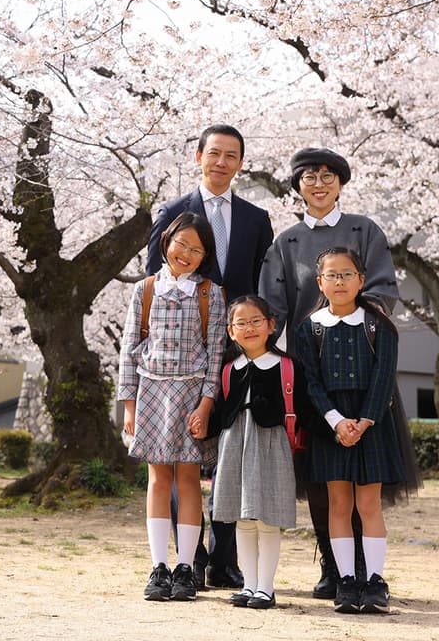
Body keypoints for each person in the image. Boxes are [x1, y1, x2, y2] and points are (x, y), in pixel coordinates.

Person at [258, 146, 409, 600]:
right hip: (311, 374)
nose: (319, 184)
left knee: (365, 478)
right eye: (309, 177)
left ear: (341, 182)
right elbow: (273, 305)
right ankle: (333, 565)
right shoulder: (285, 242)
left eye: (328, 176)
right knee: (324, 477)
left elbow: (383, 290)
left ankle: (367, 570)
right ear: (297, 185)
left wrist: (352, 320)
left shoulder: (365, 230)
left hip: (364, 371)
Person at [146, 124, 273, 589]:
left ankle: (225, 557)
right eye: (213, 153)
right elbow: (153, 281)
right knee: (180, 454)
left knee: (230, 452)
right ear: (198, 156)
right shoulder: (173, 211)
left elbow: (260, 288)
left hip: (237, 349)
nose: (221, 162)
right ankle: (188, 558)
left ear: (240, 163)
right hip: (180, 356)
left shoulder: (257, 219)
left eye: (231, 155)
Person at [119, 212, 228, 602]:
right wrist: (128, 405)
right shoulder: (145, 289)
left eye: (196, 249)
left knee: (189, 480)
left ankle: (185, 566)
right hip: (150, 392)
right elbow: (129, 350)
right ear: (166, 241)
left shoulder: (211, 294)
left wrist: (206, 405)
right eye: (181, 243)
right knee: (157, 480)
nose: (186, 253)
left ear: (205, 257)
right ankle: (158, 567)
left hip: (191, 396)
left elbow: (216, 356)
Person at [292, 247, 405, 614]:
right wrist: (336, 421)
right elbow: (310, 382)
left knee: (368, 504)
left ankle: (374, 581)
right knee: (338, 504)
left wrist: (365, 420)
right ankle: (346, 580)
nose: (339, 281)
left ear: (361, 279)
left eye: (347, 274)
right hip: (331, 428)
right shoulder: (308, 328)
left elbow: (384, 378)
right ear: (319, 282)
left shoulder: (380, 326)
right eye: (331, 275)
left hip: (372, 425)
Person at [207, 296, 296, 610]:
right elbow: (221, 411)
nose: (249, 328)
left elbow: (302, 408)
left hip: (270, 446)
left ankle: (267, 588)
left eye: (256, 321)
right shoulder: (230, 369)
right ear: (231, 331)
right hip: (235, 445)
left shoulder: (286, 366)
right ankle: (249, 585)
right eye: (240, 323)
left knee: (267, 519)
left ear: (271, 325)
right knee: (242, 519)